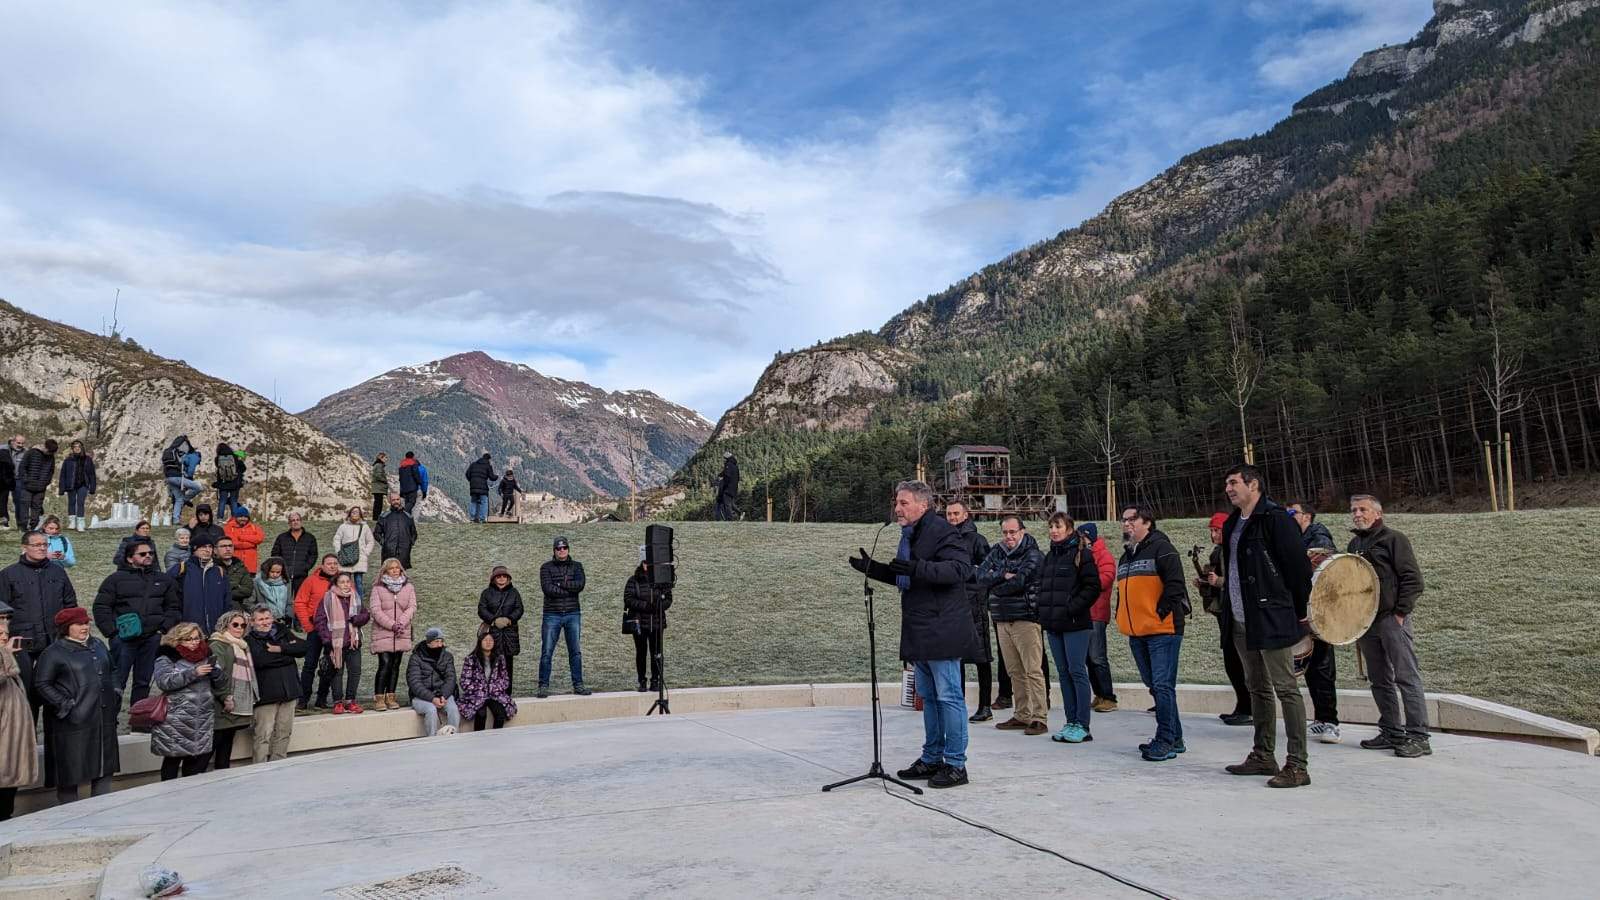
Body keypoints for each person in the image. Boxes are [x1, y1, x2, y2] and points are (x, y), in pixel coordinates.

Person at [850, 480, 975, 789]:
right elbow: (907, 573)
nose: (897, 508)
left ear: (923, 505)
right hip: (921, 628)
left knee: (949, 697)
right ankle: (932, 759)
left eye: (904, 503)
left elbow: (959, 570)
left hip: (943, 628)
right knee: (930, 699)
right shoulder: (910, 535)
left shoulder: (943, 531)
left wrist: (917, 568)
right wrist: (874, 569)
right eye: (897, 502)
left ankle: (956, 764)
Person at [1216, 465, 1314, 788]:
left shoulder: (1275, 519)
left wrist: (1298, 611)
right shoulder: (1232, 523)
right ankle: (1262, 755)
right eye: (1227, 484)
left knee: (1285, 688)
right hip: (1242, 620)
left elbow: (1298, 568)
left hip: (1271, 617)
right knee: (1256, 687)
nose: (1228, 489)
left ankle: (1297, 765)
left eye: (1234, 483)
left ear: (1253, 484)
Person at [1348, 494, 1431, 758]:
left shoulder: (1394, 539)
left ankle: (1419, 737)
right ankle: (1391, 731)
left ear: (1377, 513)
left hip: (1391, 619)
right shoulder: (1353, 545)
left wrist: (1400, 613)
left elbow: (1412, 579)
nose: (1357, 514)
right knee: (1379, 679)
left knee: (1406, 676)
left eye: (1362, 509)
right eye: (1354, 510)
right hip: (1366, 623)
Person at [1116, 504, 1189, 762]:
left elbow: (1176, 585)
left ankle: (1165, 739)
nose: (1126, 524)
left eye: (1131, 519)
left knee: (1162, 685)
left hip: (1162, 630)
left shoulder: (1163, 549)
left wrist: (1159, 613)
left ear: (1147, 522)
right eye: (1123, 520)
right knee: (1157, 687)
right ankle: (1175, 737)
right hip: (1137, 632)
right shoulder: (1126, 556)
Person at [33, 607, 118, 804]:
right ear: (66, 628)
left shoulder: (98, 645)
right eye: (79, 624)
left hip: (102, 720)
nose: (84, 627)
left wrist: (116, 691)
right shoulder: (53, 653)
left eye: (86, 623)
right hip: (71, 724)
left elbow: (112, 669)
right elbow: (41, 684)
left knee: (104, 769)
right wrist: (64, 704)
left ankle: (103, 812)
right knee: (70, 774)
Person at [977, 516, 1046, 736]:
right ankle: (1022, 714)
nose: (1008, 537)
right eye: (1005, 532)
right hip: (1001, 618)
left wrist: (995, 586)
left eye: (1013, 532)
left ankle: (1039, 717)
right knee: (1014, 671)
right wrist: (1002, 575)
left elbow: (1020, 582)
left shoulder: (1034, 554)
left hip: (1025, 617)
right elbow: (979, 576)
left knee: (1032, 670)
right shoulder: (996, 552)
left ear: (1022, 531)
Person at [1036, 514, 1101, 744]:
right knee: (1063, 674)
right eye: (1051, 526)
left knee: (1077, 671)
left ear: (1069, 528)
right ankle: (1070, 720)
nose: (1054, 530)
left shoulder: (1082, 554)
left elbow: (1093, 586)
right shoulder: (1050, 556)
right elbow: (1043, 587)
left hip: (1075, 624)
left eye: (1058, 526)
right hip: (1054, 625)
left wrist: (1071, 608)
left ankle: (1082, 724)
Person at [1, 529, 78, 719]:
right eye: (37, 545)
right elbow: (2, 610)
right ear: (24, 547)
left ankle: (55, 743)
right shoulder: (9, 574)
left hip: (53, 641)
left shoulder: (57, 571)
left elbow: (70, 603)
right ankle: (29, 741)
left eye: (45, 545)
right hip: (21, 643)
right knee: (26, 692)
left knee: (55, 689)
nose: (42, 548)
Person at [93, 537, 180, 705]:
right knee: (117, 681)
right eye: (143, 554)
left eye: (151, 553)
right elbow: (101, 607)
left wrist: (163, 629)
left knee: (143, 682)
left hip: (152, 639)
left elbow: (174, 607)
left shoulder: (164, 580)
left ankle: (138, 722)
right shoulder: (115, 579)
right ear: (129, 558)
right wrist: (113, 633)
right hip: (124, 639)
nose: (148, 556)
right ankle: (110, 723)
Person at [1288, 502, 1340, 743]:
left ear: (1306, 515)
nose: (1289, 517)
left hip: (1320, 611)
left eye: (1293, 513)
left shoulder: (1318, 534)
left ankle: (1330, 721)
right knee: (1310, 665)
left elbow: (1318, 561)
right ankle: (1321, 718)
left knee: (1322, 665)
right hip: (1306, 609)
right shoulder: (1296, 536)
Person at [1196, 512, 1252, 727]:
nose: (1213, 534)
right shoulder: (1219, 552)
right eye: (1212, 530)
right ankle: (1242, 705)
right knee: (1232, 661)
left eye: (1217, 530)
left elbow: (1240, 582)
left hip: (1235, 614)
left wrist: (1218, 581)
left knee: (1239, 661)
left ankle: (1248, 707)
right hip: (1224, 613)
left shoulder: (1233, 552)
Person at [151, 622, 227, 779]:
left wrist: (216, 674)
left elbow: (222, 683)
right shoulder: (167, 656)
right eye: (189, 639)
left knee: (195, 763)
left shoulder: (206, 654)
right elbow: (164, 681)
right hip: (176, 718)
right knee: (173, 760)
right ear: (178, 639)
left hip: (201, 717)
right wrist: (193, 673)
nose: (194, 642)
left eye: (197, 638)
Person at [944, 502, 993, 723]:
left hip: (974, 603)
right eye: (949, 514)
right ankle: (959, 703)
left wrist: (968, 578)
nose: (952, 517)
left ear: (966, 514)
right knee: (957, 658)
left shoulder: (977, 540)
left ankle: (985, 706)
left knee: (982, 657)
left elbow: (988, 571)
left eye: (956, 513)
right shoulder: (944, 539)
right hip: (952, 605)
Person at [244, 604, 305, 763]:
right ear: (252, 622)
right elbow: (260, 660)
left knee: (284, 732)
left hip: (289, 691)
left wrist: (279, 649)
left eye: (267, 618)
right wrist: (289, 654)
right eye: (260, 619)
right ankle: (259, 768)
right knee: (263, 735)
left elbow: (304, 647)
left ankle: (279, 765)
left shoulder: (282, 632)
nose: (265, 622)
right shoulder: (249, 640)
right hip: (266, 695)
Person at [0, 601, 38, 821]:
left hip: (10, 745)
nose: (5, 635)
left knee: (6, 802)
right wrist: (5, 655)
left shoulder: (9, 654)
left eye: (5, 628)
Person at [312, 572, 369, 715]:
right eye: (342, 582)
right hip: (335, 643)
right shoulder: (328, 598)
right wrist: (326, 639)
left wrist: (356, 620)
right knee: (337, 672)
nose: (345, 584)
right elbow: (320, 620)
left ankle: (351, 700)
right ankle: (338, 701)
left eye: (347, 582)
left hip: (353, 642)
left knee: (355, 671)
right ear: (335, 584)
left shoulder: (355, 597)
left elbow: (365, 614)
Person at [208, 609, 257, 770]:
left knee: (225, 750)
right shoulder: (218, 644)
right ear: (225, 625)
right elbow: (216, 674)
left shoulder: (242, 646)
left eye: (243, 625)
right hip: (221, 707)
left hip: (233, 709)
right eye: (235, 624)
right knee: (210, 750)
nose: (239, 628)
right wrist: (225, 697)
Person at [537, 538, 586, 696]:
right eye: (558, 548)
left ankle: (578, 684)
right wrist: (569, 588)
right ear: (554, 550)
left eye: (564, 547)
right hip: (552, 614)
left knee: (575, 651)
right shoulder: (545, 567)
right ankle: (543, 685)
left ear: (568, 549)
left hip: (573, 613)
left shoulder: (577, 566)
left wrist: (560, 585)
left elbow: (580, 585)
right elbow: (548, 589)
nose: (562, 550)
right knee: (547, 651)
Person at [293, 555, 342, 709]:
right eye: (329, 563)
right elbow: (300, 602)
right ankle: (303, 698)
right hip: (315, 629)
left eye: (335, 563)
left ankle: (322, 698)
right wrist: (307, 625)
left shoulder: (343, 581)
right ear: (322, 565)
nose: (332, 566)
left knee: (329, 664)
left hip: (334, 630)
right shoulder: (311, 581)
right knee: (310, 664)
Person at [368, 557, 415, 712]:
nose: (395, 570)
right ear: (385, 571)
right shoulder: (377, 588)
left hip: (401, 632)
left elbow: (412, 606)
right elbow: (375, 610)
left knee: (395, 665)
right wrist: (392, 624)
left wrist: (401, 622)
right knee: (385, 664)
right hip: (384, 632)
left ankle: (391, 696)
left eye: (397, 568)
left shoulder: (408, 587)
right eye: (391, 568)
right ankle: (379, 697)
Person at [623, 549, 673, 694]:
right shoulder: (633, 580)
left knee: (657, 653)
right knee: (641, 653)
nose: (648, 566)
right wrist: (646, 606)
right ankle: (642, 681)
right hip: (640, 623)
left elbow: (668, 599)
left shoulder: (662, 580)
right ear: (642, 563)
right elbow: (628, 599)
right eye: (646, 563)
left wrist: (658, 607)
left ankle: (656, 680)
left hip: (657, 622)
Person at [1082, 522, 1119, 713]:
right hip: (1085, 612)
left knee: (1097, 656)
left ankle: (1109, 696)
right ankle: (1099, 694)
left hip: (1097, 612)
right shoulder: (1085, 555)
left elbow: (1106, 578)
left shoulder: (1103, 555)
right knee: (1089, 657)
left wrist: (1085, 582)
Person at [460, 627, 518, 731]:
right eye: (485, 640)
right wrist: (478, 689)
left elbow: (505, 679)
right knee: (481, 714)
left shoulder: (499, 658)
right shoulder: (471, 659)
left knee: (500, 714)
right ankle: (478, 738)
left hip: (493, 694)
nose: (488, 642)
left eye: (491, 640)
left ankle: (495, 738)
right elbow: (465, 681)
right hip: (477, 694)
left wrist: (494, 688)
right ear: (480, 642)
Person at [407, 627, 460, 736]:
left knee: (453, 709)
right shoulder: (416, 658)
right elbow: (414, 683)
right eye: (436, 641)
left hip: (442, 694)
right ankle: (432, 739)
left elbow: (451, 678)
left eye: (441, 641)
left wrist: (444, 695)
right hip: (421, 697)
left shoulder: (447, 656)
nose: (440, 645)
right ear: (429, 643)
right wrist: (432, 698)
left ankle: (453, 736)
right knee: (431, 710)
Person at [172, 536, 230, 635]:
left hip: (216, 631)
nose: (207, 550)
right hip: (188, 631)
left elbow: (227, 600)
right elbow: (170, 600)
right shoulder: (181, 569)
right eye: (203, 547)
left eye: (210, 547)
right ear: (194, 549)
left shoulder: (219, 571)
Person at [480, 565, 525, 685]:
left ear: (508, 578)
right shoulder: (486, 593)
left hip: (509, 634)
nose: (501, 578)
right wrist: (494, 620)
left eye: (504, 576)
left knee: (508, 664)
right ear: (493, 579)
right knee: (492, 663)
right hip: (493, 633)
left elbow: (519, 609)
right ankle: (493, 692)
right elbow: (482, 610)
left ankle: (507, 693)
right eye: (498, 576)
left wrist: (509, 619)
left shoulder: (514, 592)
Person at [270, 512, 318, 596]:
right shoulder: (282, 537)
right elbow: (275, 554)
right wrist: (282, 568)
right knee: (283, 600)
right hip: (284, 575)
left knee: (300, 600)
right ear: (289, 523)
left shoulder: (310, 538)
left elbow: (313, 555)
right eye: (292, 520)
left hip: (301, 575)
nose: (295, 522)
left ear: (301, 521)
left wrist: (305, 567)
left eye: (297, 520)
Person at [16, 439, 58, 531]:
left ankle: (33, 527)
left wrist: (45, 482)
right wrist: (26, 480)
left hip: (40, 488)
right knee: (24, 506)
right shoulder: (31, 452)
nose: (50, 453)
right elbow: (22, 467)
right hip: (27, 486)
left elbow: (51, 471)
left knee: (37, 507)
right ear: (45, 447)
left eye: (52, 452)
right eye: (49, 451)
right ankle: (23, 527)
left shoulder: (51, 457)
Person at [161, 435, 203, 525]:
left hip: (169, 478)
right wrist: (188, 476)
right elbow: (190, 470)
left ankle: (176, 520)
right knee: (198, 487)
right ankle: (186, 500)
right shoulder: (192, 455)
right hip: (178, 477)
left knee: (178, 499)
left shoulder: (169, 451)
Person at [334, 506, 376, 596]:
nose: (355, 513)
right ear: (349, 514)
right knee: (345, 582)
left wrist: (366, 552)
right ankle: (345, 602)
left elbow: (370, 541)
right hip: (345, 557)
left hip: (360, 558)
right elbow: (337, 539)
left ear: (360, 514)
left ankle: (359, 605)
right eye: (353, 512)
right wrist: (339, 551)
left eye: (357, 512)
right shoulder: (343, 527)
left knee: (358, 583)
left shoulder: (365, 527)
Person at [56, 440, 96, 531]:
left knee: (80, 503)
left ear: (82, 448)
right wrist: (61, 488)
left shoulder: (87, 459)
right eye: (75, 447)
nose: (77, 448)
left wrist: (92, 487)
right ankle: (72, 522)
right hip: (71, 484)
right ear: (72, 448)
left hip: (83, 484)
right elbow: (63, 474)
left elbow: (92, 474)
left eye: (78, 446)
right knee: (71, 502)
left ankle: (80, 523)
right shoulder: (68, 460)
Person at [375, 493, 417, 570]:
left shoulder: (408, 516)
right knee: (387, 574)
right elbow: (377, 533)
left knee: (402, 575)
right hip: (388, 551)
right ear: (390, 501)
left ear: (400, 500)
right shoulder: (384, 516)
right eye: (393, 500)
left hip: (404, 551)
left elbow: (414, 533)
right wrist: (384, 543)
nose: (396, 501)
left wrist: (410, 543)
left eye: (397, 499)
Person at [253, 557, 294, 629]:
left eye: (278, 572)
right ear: (267, 570)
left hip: (282, 620)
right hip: (264, 621)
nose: (275, 574)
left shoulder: (286, 582)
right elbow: (250, 602)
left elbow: (289, 602)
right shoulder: (257, 582)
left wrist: (289, 615)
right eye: (272, 572)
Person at [223, 506, 265, 573]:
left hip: (250, 566)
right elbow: (232, 543)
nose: (243, 518)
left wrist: (242, 537)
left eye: (245, 517)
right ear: (236, 517)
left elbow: (260, 538)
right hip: (234, 566)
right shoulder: (229, 527)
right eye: (240, 516)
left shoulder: (253, 527)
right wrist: (252, 544)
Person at [215, 537, 253, 608]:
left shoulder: (240, 566)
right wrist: (236, 586)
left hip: (237, 607)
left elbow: (247, 590)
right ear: (215, 550)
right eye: (223, 546)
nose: (228, 549)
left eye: (230, 546)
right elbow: (213, 591)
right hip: (216, 606)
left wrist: (224, 591)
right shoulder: (211, 567)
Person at [212, 442, 246, 518]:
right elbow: (243, 468)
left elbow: (219, 469)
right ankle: (235, 518)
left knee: (222, 501)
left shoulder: (217, 459)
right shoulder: (234, 456)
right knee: (233, 501)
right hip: (234, 482)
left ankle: (220, 518)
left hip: (223, 482)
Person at [465, 453, 497, 523]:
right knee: (484, 502)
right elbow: (492, 477)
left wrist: (471, 480)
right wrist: (497, 477)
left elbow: (467, 474)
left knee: (473, 502)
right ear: (488, 459)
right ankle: (482, 519)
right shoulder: (488, 466)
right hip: (483, 488)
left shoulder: (473, 464)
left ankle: (472, 518)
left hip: (473, 486)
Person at [713, 452, 740, 521]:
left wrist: (724, 484)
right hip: (734, 488)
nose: (724, 460)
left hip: (728, 488)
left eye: (724, 458)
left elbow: (727, 475)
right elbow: (737, 477)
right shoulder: (735, 466)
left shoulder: (728, 465)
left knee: (727, 504)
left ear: (727, 458)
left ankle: (729, 518)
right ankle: (739, 513)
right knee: (730, 503)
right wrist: (720, 475)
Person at [0, 436, 16, 531]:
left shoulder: (4, 452)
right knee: (3, 503)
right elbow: (10, 469)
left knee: (2, 503)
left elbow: (9, 469)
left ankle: (4, 522)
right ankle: (4, 523)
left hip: (4, 484)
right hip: (5, 483)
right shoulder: (5, 452)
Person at [369, 452, 390, 521]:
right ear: (381, 458)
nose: (386, 459)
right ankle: (376, 518)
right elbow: (378, 476)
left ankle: (376, 517)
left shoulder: (377, 465)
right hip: (379, 487)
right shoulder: (379, 465)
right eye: (385, 458)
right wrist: (385, 480)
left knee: (377, 503)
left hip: (377, 487)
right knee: (378, 504)